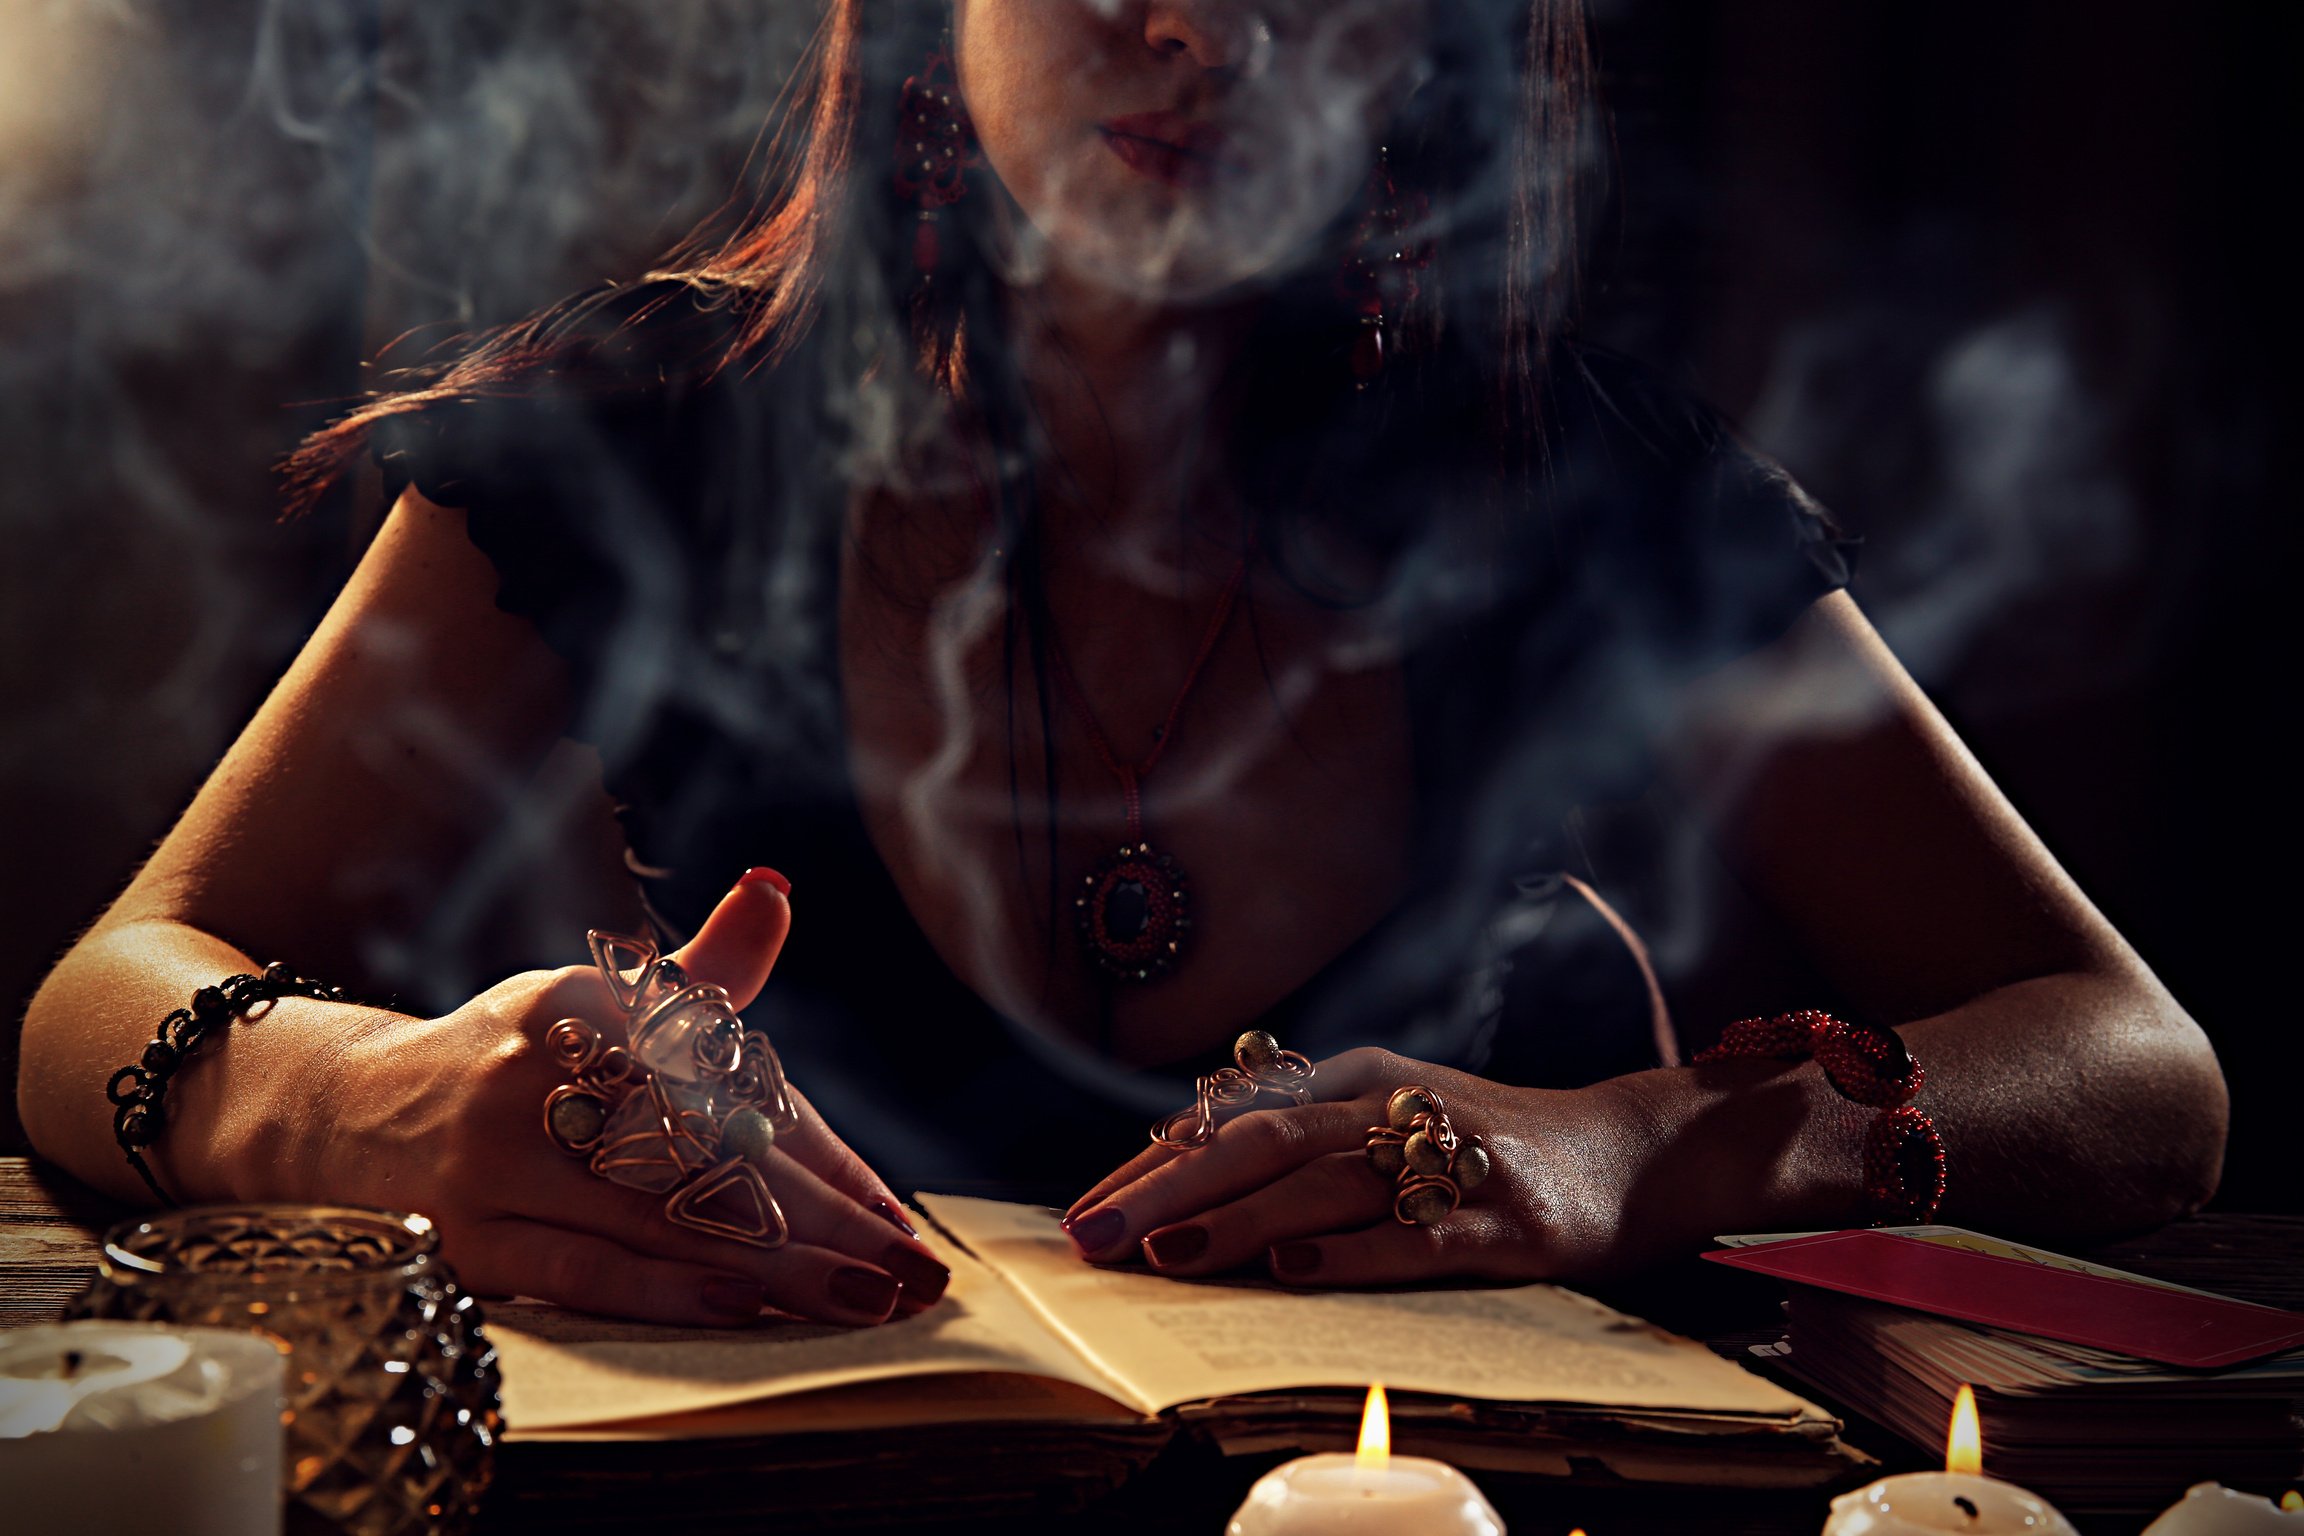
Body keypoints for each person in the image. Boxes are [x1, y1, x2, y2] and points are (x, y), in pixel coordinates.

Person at [18, 0, 2227, 1327]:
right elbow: (99, 996)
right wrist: (346, 1097)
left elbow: (2140, 1073)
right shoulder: (646, 438)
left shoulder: (1570, 478)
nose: (1204, 27)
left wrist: (1634, 1152)